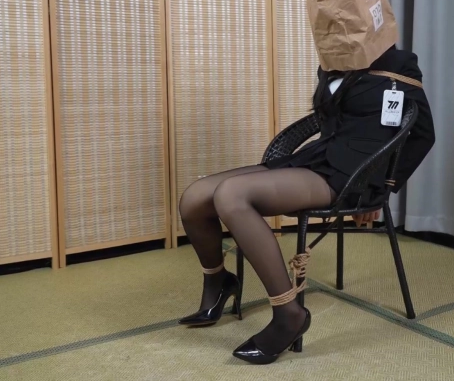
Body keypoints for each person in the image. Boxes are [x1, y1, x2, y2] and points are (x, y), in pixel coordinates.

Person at [176, 45, 435, 364]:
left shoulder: (397, 63)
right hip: (316, 159)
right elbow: (328, 122)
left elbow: (423, 134)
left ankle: (289, 314)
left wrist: (384, 185)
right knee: (194, 198)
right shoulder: (333, 59)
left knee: (231, 195)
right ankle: (219, 282)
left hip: (350, 176)